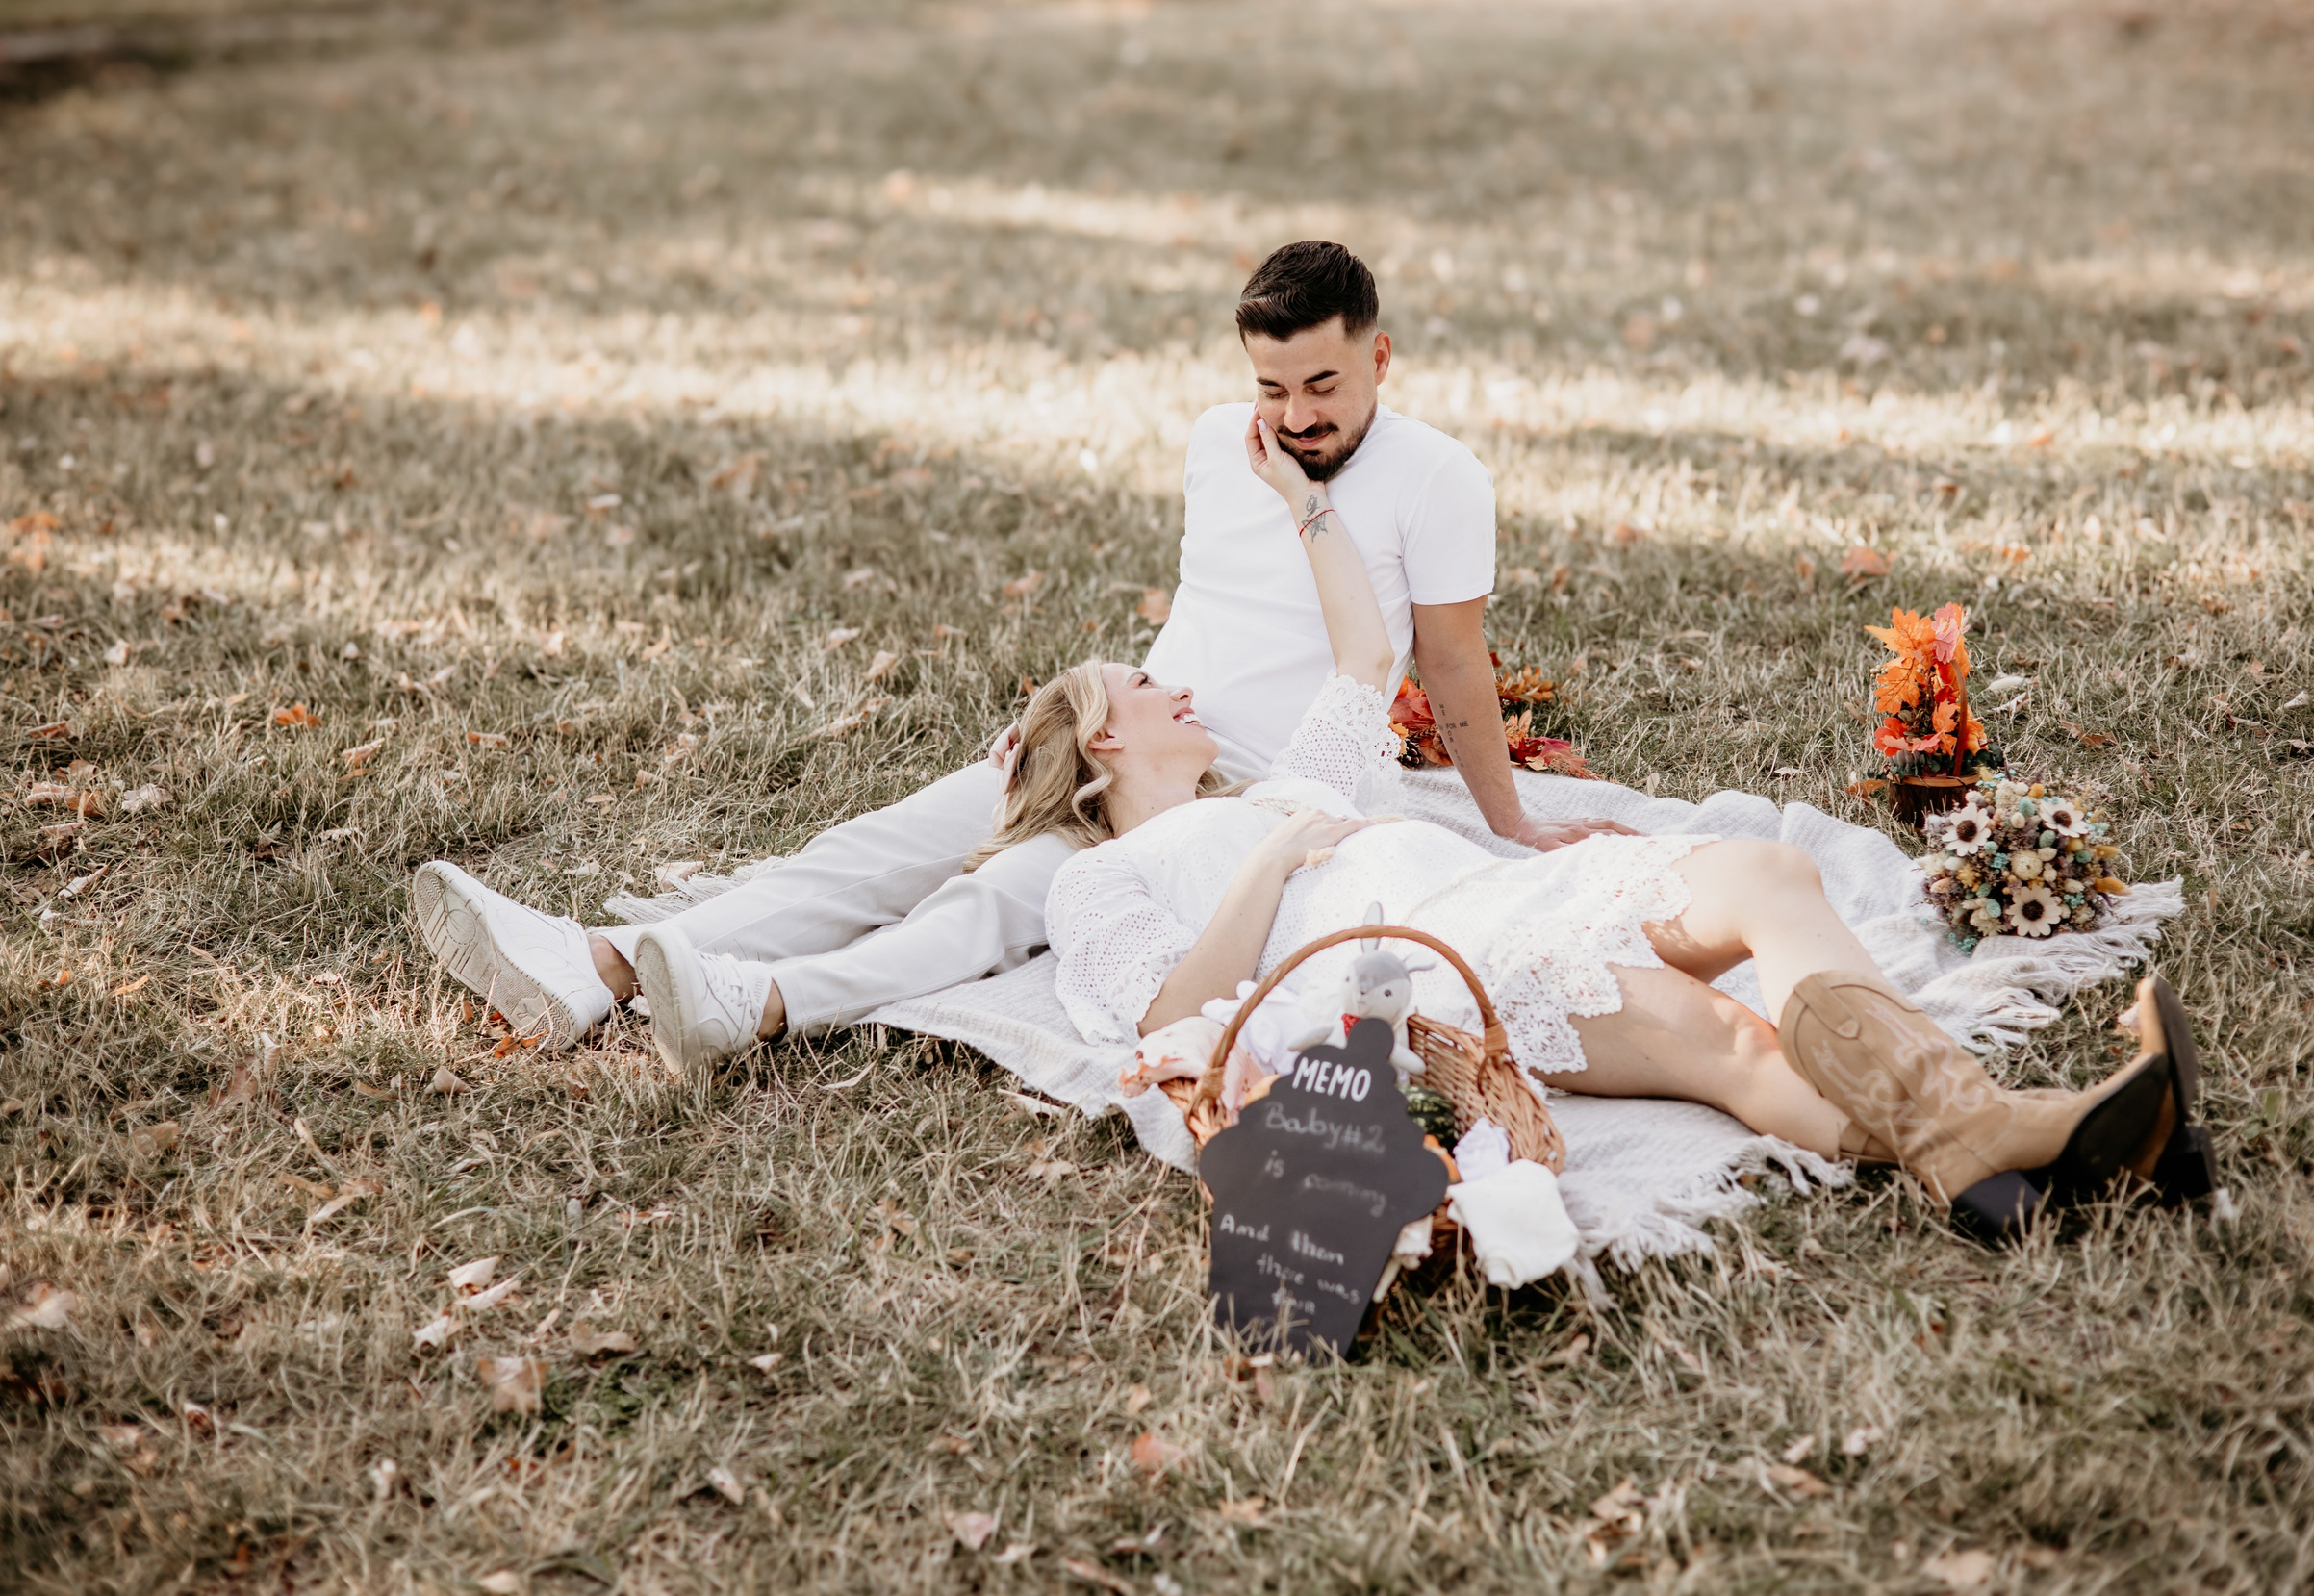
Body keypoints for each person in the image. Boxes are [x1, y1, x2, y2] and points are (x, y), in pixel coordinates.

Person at [413, 241, 1628, 1075]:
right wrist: (1078, 711)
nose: (1298, 414)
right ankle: (600, 966)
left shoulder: (1437, 478)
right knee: (892, 838)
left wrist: (1509, 822)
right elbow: (1207, 616)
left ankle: (751, 1002)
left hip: (1245, 788)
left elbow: (1454, 670)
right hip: (1137, 725)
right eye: (1273, 384)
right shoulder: (1222, 441)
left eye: (1324, 382)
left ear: (1381, 356)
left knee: (1005, 890)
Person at [998, 403, 2203, 1240]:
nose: (1177, 687)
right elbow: (1171, 1017)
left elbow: (1369, 652)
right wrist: (1269, 860)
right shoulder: (1097, 883)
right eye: (1146, 685)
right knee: (1730, 1047)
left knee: (1768, 871)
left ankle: (1981, 1152)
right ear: (1105, 735)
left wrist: (1298, 496)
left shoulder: (1289, 781)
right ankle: (2014, 1139)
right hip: (1445, 966)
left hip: (1519, 896)